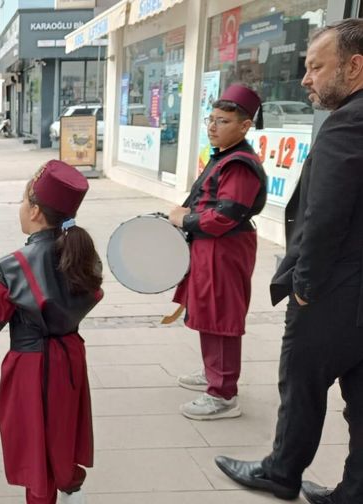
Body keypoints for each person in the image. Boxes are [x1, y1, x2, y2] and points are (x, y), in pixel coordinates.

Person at [215, 19, 363, 504]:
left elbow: (325, 215)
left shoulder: (347, 123)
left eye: (316, 67)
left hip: (334, 289)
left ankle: (281, 473)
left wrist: (304, 284)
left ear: (355, 67)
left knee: (301, 383)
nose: (305, 79)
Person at [0, 160, 103, 504]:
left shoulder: (15, 265)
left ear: (36, 211)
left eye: (24, 201)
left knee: (35, 441)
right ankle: (70, 482)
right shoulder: (80, 252)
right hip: (70, 358)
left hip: (32, 367)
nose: (21, 208)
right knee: (61, 428)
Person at [168, 84, 268, 421]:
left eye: (222, 121)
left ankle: (223, 394)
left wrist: (187, 219)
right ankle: (214, 373)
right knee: (209, 311)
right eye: (211, 119)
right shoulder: (225, 156)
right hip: (211, 246)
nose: (212, 127)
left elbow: (227, 214)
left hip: (225, 248)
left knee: (222, 315)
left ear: (244, 126)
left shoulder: (238, 164)